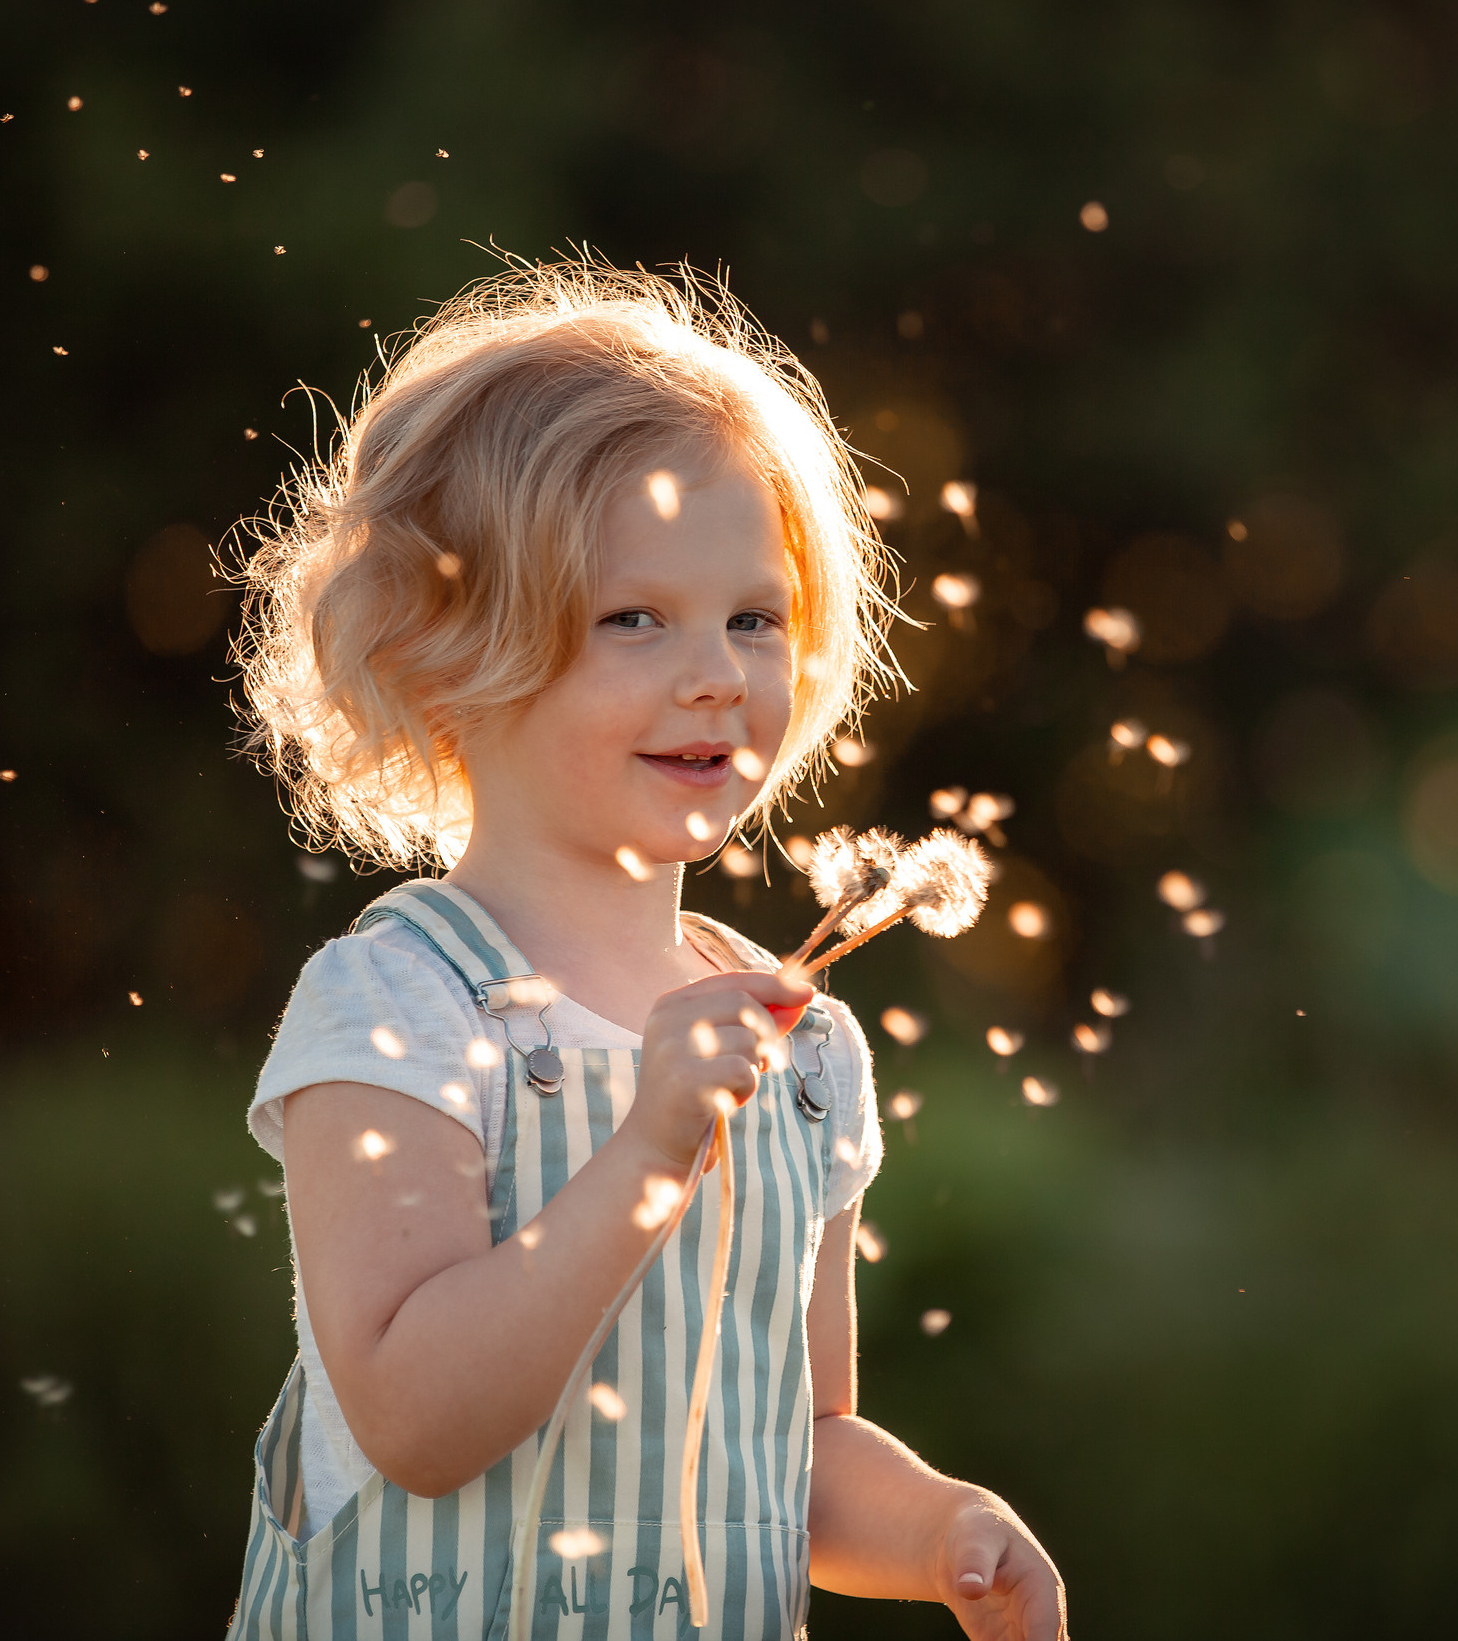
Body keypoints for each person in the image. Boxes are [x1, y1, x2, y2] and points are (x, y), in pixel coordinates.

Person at [222, 260, 1065, 1640]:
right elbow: (417, 1420)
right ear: (446, 657)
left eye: (754, 617)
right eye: (634, 619)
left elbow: (795, 1453)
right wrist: (647, 1156)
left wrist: (943, 1530)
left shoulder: (801, 1055)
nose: (718, 673)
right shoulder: (399, 1003)